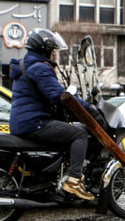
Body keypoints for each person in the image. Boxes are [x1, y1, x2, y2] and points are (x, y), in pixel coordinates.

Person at [9, 28, 96, 201]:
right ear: (45, 50)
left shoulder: (28, 66)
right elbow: (59, 96)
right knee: (79, 134)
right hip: (35, 123)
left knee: (65, 132)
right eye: (53, 51)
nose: (54, 55)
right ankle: (73, 181)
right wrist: (87, 108)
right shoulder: (40, 68)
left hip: (25, 121)